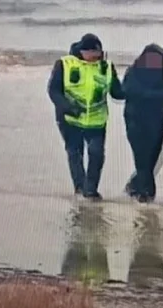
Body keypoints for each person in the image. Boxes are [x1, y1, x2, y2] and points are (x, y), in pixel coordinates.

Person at [47, 33, 124, 201]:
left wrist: (136, 87)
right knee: (75, 153)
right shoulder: (65, 64)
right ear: (83, 52)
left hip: (97, 121)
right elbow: (53, 90)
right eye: (92, 53)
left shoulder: (106, 67)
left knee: (97, 154)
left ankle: (91, 190)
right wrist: (67, 107)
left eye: (98, 52)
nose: (95, 56)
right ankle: (80, 188)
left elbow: (117, 92)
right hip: (70, 119)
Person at [121, 44, 163, 203]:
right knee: (142, 158)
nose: (153, 62)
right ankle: (146, 194)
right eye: (150, 59)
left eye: (157, 59)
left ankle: (134, 186)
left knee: (153, 159)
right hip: (135, 122)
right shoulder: (133, 73)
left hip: (156, 123)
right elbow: (138, 93)